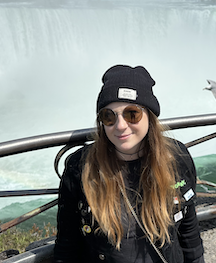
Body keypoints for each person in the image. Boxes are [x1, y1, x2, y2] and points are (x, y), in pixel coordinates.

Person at [54, 65, 205, 263]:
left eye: (131, 114)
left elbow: (188, 228)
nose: (120, 126)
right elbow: (68, 244)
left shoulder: (176, 158)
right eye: (109, 116)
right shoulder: (81, 168)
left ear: (150, 115)